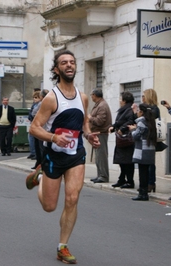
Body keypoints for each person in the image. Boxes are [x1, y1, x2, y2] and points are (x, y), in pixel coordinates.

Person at [25, 50, 100, 264]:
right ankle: (39, 178)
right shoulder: (51, 99)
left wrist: (88, 135)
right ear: (57, 70)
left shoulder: (82, 97)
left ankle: (63, 247)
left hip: (75, 154)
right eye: (64, 63)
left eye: (72, 62)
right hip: (54, 156)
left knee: (72, 198)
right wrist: (53, 138)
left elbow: (84, 122)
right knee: (49, 206)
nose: (69, 65)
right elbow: (34, 128)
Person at [129, 103, 157, 201]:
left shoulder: (141, 122)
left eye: (137, 111)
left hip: (142, 150)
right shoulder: (151, 121)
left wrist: (133, 130)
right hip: (150, 149)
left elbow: (136, 136)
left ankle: (143, 193)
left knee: (142, 173)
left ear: (141, 112)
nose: (136, 113)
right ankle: (144, 192)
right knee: (146, 171)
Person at [109, 91, 136, 189]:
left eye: (121, 99)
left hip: (126, 140)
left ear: (124, 101)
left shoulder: (129, 110)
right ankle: (122, 179)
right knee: (122, 161)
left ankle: (129, 181)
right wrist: (113, 127)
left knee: (127, 161)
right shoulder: (123, 110)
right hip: (121, 140)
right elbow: (119, 121)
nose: (119, 101)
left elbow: (130, 121)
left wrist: (122, 129)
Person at [88, 88, 112, 183]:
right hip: (97, 133)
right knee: (98, 156)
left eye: (92, 95)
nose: (91, 97)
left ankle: (103, 176)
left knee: (101, 155)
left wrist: (90, 118)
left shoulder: (102, 106)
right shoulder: (99, 105)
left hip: (101, 133)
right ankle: (100, 175)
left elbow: (100, 121)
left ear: (95, 95)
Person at [141, 89, 160, 192]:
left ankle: (151, 182)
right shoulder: (146, 108)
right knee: (145, 161)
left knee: (150, 162)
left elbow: (149, 118)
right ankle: (147, 182)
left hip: (150, 138)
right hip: (144, 138)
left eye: (144, 96)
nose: (142, 98)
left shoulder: (154, 109)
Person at [31, 89, 49, 170]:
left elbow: (33, 113)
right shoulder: (50, 102)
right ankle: (39, 163)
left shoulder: (41, 104)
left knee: (40, 147)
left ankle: (41, 164)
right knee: (40, 147)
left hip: (41, 127)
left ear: (41, 96)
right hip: (44, 128)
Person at [27, 89, 40, 160]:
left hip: (36, 124)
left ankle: (35, 153)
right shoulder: (34, 105)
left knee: (35, 140)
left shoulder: (39, 104)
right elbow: (30, 113)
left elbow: (34, 113)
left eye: (36, 97)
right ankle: (32, 152)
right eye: (34, 98)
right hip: (32, 123)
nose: (34, 99)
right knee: (31, 139)